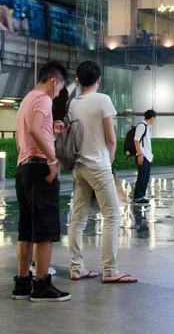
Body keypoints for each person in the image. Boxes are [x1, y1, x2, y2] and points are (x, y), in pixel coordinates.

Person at [68, 61, 137, 283]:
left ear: (79, 80)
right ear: (99, 79)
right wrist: (110, 158)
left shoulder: (72, 104)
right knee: (112, 216)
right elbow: (111, 137)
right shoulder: (103, 99)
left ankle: (76, 267)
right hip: (98, 165)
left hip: (78, 166)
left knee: (77, 219)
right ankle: (110, 270)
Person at [13, 60, 71, 302]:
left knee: (26, 229)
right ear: (53, 81)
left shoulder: (27, 98)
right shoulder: (44, 98)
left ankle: (22, 283)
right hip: (39, 168)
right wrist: (52, 160)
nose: (57, 94)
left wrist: (52, 129)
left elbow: (28, 132)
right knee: (44, 231)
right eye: (59, 89)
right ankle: (41, 285)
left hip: (24, 168)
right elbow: (36, 130)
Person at [133, 109, 157, 203]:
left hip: (147, 156)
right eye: (154, 118)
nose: (154, 120)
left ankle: (141, 196)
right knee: (142, 177)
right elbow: (136, 140)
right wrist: (139, 154)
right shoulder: (141, 126)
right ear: (152, 117)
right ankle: (137, 197)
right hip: (142, 156)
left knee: (146, 177)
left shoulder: (147, 126)